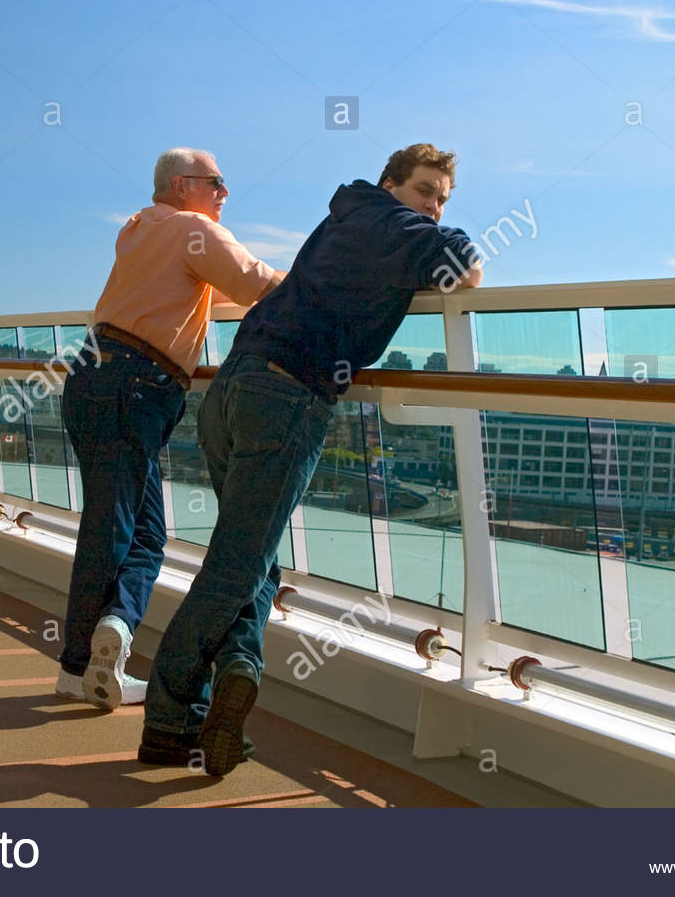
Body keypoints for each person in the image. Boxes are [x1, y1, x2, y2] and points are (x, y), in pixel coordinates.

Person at [141, 143, 483, 774]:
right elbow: (465, 266)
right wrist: (435, 240)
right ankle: (167, 719)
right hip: (289, 396)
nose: (433, 207)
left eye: (442, 198)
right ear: (392, 184)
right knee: (233, 567)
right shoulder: (397, 225)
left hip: (233, 388)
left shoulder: (343, 216)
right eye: (426, 191)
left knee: (251, 556)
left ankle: (237, 671)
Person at [56, 148, 285, 716]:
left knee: (143, 531)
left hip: (94, 374)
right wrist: (322, 284)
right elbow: (256, 283)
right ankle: (79, 663)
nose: (225, 194)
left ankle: (110, 634)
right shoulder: (192, 229)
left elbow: (206, 286)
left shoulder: (139, 228)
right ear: (184, 186)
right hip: (136, 383)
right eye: (218, 183)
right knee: (113, 524)